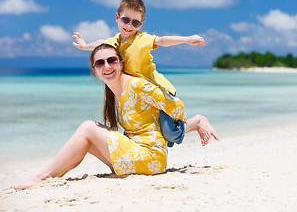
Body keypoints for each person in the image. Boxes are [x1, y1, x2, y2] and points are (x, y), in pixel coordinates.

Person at [14, 44, 218, 190]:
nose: (107, 66)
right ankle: (50, 176)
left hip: (150, 158)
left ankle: (42, 176)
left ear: (120, 63)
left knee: (87, 127)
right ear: (94, 71)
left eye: (111, 60)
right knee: (86, 141)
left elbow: (176, 106)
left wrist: (175, 129)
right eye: (100, 63)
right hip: (137, 153)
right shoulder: (114, 93)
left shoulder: (137, 85)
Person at [72, 0, 215, 147]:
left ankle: (198, 121)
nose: (129, 25)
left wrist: (186, 39)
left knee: (170, 134)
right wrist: (85, 45)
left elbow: (161, 40)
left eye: (136, 22)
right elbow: (100, 43)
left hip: (159, 91)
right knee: (149, 130)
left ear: (142, 23)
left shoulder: (142, 39)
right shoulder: (113, 42)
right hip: (140, 95)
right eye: (125, 20)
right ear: (117, 17)